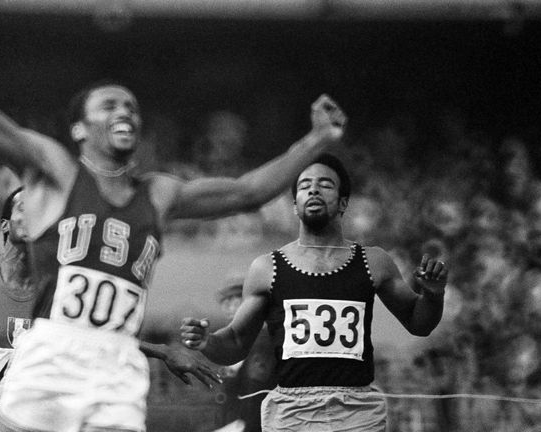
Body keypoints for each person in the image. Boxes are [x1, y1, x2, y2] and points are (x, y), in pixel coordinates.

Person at [0, 1, 347, 430]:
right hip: (53, 350)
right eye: (110, 104)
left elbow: (246, 193)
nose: (126, 111)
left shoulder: (158, 192)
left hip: (116, 361)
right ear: (79, 128)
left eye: (133, 107)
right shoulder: (54, 170)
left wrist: (317, 140)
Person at [0, 189, 216, 432]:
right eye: (23, 207)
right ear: (5, 225)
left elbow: (100, 336)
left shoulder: (61, 285)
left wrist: (164, 351)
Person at [181, 154, 449, 432]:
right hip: (292, 414)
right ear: (295, 205)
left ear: (344, 202)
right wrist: (206, 342)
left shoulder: (374, 262)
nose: (313, 189)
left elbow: (419, 323)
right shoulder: (267, 269)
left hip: (357, 413)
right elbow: (236, 341)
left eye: (325, 184)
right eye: (305, 185)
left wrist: (433, 295)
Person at [214, 273, 276, 432]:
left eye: (236, 300)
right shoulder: (237, 341)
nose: (230, 307)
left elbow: (257, 398)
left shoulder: (261, 342)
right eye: (225, 301)